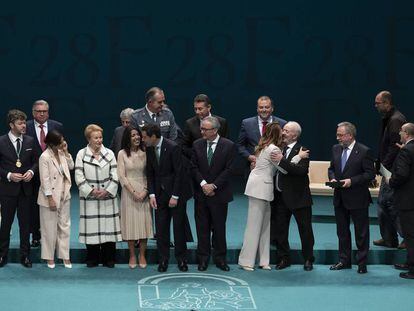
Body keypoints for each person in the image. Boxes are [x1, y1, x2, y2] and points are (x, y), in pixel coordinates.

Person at [239, 122, 304, 271]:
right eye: (282, 131)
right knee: (254, 227)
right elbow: (284, 168)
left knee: (265, 227)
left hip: (262, 189)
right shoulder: (273, 149)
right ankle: (246, 261)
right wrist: (298, 157)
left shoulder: (264, 146)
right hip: (259, 189)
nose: (283, 133)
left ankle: (263, 261)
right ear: (277, 134)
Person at [142, 124, 193, 272]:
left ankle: (182, 260)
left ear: (153, 136)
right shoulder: (149, 149)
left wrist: (175, 196)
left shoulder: (173, 147)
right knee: (162, 230)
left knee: (179, 229)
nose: (142, 139)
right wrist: (151, 194)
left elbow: (179, 173)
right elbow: (150, 173)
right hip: (159, 195)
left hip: (176, 194)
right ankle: (163, 260)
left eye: (145, 137)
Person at [328, 122, 375, 274]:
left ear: (350, 135)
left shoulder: (364, 151)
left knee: (361, 232)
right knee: (342, 232)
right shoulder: (335, 149)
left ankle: (362, 263)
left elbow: (370, 174)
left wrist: (351, 181)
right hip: (340, 197)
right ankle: (344, 261)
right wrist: (333, 178)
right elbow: (332, 169)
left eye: (340, 135)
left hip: (358, 198)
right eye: (337, 135)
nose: (338, 138)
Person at [191, 116, 236, 272]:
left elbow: (229, 170)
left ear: (215, 130)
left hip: (219, 194)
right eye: (201, 128)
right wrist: (204, 184)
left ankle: (220, 259)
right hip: (201, 193)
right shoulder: (197, 144)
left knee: (218, 228)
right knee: (201, 228)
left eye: (205, 129)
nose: (202, 131)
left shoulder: (229, 145)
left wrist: (214, 186)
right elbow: (193, 167)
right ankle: (203, 259)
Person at [74, 124, 122, 268]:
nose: (99, 140)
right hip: (90, 198)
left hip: (108, 197)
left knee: (109, 228)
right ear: (89, 139)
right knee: (92, 228)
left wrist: (108, 190)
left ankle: (109, 259)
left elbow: (116, 174)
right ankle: (92, 258)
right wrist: (91, 191)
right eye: (96, 138)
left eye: (100, 137)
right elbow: (78, 176)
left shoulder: (110, 154)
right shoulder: (81, 154)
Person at [271, 121, 315, 271]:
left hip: (299, 198)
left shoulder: (303, 150)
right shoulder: (278, 149)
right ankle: (284, 258)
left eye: (287, 131)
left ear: (295, 135)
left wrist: (282, 161)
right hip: (280, 197)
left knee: (305, 230)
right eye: (283, 130)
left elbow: (300, 171)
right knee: (281, 231)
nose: (283, 133)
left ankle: (308, 259)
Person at [0, 109, 37, 268]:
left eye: (24, 122)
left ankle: (25, 256)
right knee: (5, 225)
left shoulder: (30, 141)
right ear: (11, 125)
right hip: (7, 190)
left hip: (25, 190)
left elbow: (36, 162)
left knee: (25, 225)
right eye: (20, 123)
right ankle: (2, 255)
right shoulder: (0, 141)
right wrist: (8, 175)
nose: (24, 126)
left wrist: (31, 171)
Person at [26, 99, 64, 248]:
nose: (42, 114)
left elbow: (60, 148)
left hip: (53, 173)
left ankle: (52, 237)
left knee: (53, 207)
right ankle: (35, 236)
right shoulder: (26, 126)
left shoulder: (57, 126)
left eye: (44, 111)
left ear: (48, 112)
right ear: (33, 112)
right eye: (38, 111)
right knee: (34, 207)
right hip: (33, 174)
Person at [374, 91, 407, 249]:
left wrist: (383, 166)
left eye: (378, 103)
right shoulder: (390, 119)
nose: (376, 106)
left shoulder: (395, 120)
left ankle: (406, 237)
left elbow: (395, 148)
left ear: (387, 103)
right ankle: (389, 238)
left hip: (392, 170)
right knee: (383, 203)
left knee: (390, 203)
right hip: (389, 168)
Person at [117, 126, 153, 269]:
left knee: (144, 224)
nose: (137, 137)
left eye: (138, 135)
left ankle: (142, 254)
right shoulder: (122, 154)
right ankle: (132, 255)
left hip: (144, 191)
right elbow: (121, 176)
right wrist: (133, 192)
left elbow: (150, 173)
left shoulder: (146, 152)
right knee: (130, 224)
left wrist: (145, 191)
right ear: (128, 138)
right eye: (133, 135)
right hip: (128, 192)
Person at [37, 130, 73, 269]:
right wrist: (50, 198)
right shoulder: (44, 157)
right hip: (50, 197)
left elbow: (71, 166)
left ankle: (64, 256)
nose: (62, 143)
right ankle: (49, 257)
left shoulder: (62, 153)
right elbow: (44, 180)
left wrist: (66, 151)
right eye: (60, 142)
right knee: (49, 229)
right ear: (52, 143)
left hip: (64, 194)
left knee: (64, 227)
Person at [389, 123, 414, 279]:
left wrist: (391, 180)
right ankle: (409, 261)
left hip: (407, 200)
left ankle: (412, 268)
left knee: (410, 236)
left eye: (400, 131)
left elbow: (402, 175)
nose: (399, 133)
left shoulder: (406, 150)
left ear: (406, 133)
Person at [237, 96, 287, 169]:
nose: (264, 110)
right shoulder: (247, 123)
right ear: (257, 109)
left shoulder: (281, 123)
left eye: (267, 107)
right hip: (253, 166)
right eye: (261, 107)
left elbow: (285, 144)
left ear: (272, 108)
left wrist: (280, 157)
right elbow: (240, 145)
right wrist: (249, 157)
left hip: (275, 167)